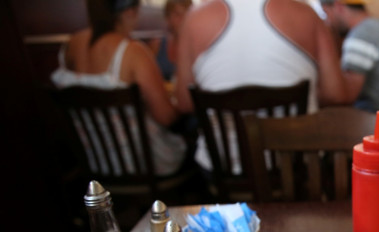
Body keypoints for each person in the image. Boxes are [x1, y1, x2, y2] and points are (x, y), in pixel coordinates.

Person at [174, 0, 348, 172]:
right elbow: (335, 94)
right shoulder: (306, 14)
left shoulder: (195, 18)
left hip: (224, 174)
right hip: (297, 171)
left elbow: (184, 102)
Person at [51, 0, 186, 177]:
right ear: (129, 11)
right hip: (142, 166)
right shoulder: (133, 52)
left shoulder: (70, 45)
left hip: (92, 164)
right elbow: (166, 117)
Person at [319, 0, 379, 116]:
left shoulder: (362, 35)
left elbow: (345, 97)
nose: (327, 22)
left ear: (339, 6)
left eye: (325, 13)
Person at [149, 0, 192, 81]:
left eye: (187, 14)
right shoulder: (157, 45)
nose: (183, 19)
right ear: (168, 18)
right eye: (177, 14)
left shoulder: (198, 48)